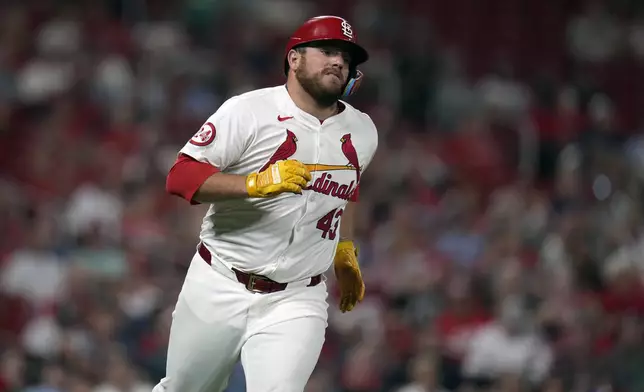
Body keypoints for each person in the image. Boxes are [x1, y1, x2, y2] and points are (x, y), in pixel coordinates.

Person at [155, 15, 379, 392]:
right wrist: (254, 183)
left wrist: (344, 248)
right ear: (294, 59)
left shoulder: (363, 130)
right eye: (326, 51)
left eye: (346, 57)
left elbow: (347, 187)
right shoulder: (248, 111)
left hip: (297, 296)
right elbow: (180, 177)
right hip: (220, 279)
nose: (339, 62)